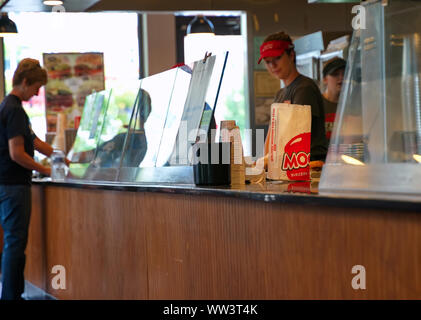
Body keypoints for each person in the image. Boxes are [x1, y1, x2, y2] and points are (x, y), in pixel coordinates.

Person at [0, 58, 53, 300]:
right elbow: (17, 153)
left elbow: (34, 141)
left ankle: (13, 294)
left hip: (9, 186)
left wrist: (61, 156)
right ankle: (11, 296)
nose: (37, 93)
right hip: (13, 187)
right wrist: (47, 170)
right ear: (24, 82)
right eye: (36, 87)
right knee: (15, 243)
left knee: (15, 242)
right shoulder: (14, 110)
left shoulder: (9, 106)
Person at [259, 31, 328, 163]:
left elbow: (296, 136)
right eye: (268, 62)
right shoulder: (280, 94)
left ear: (291, 55)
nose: (272, 65)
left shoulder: (304, 88)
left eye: (277, 58)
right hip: (287, 165)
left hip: (308, 166)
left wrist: (269, 161)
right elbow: (271, 137)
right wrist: (265, 162)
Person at [322, 57, 346, 142]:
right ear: (325, 79)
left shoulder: (350, 105)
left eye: (344, 74)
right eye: (335, 74)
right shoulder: (317, 103)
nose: (341, 78)